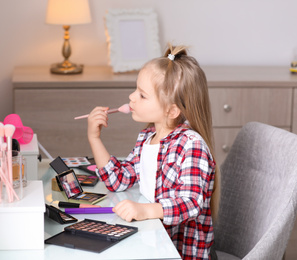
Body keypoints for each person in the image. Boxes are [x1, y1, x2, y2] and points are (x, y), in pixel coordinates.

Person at [86, 44, 220, 260]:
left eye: (142, 95)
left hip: (178, 253)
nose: (131, 98)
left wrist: (145, 210)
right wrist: (94, 138)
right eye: (135, 90)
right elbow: (118, 180)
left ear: (172, 110)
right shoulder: (148, 138)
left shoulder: (191, 145)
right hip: (151, 242)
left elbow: (191, 203)